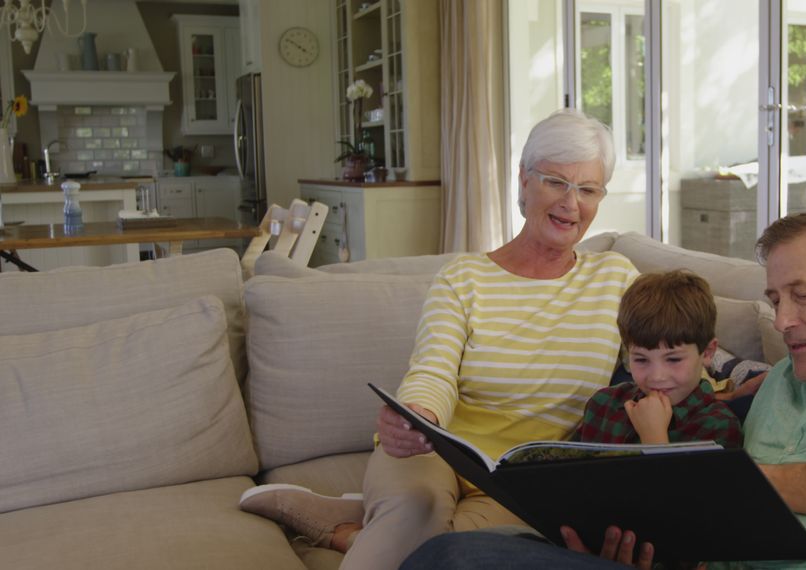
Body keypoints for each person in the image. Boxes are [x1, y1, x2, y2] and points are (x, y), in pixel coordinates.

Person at [400, 206, 806, 569]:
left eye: (802, 295)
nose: (784, 320)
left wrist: (732, 484)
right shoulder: (781, 385)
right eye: (773, 299)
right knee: (455, 556)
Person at [238, 109, 640, 570]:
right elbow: (433, 370)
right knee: (418, 510)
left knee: (446, 556)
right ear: (524, 181)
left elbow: (667, 357)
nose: (571, 203)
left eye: (587, 189)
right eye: (555, 182)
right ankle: (383, 515)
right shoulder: (464, 278)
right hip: (437, 452)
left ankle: (348, 528)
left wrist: (736, 382)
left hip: (525, 480)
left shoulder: (617, 280)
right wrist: (417, 418)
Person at [574, 269, 742, 449]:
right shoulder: (602, 405)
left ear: (707, 353)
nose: (657, 377)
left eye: (673, 359)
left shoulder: (718, 427)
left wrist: (653, 437)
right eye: (641, 360)